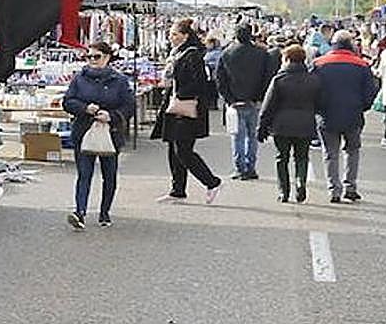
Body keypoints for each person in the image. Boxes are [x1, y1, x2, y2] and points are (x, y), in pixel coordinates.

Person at [62, 41, 136, 229]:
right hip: (84, 131)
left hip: (110, 134)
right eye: (89, 57)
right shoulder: (79, 78)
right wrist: (85, 108)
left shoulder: (119, 80)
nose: (92, 60)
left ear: (107, 57)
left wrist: (111, 116)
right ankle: (80, 212)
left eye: (97, 56)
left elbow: (129, 106)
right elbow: (68, 101)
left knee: (109, 175)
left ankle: (104, 212)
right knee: (84, 174)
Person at [152, 18, 223, 204]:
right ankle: (177, 190)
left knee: (183, 150)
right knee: (173, 149)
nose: (171, 37)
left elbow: (199, 84)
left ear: (185, 36)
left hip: (187, 108)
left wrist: (179, 91)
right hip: (175, 107)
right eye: (170, 34)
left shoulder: (192, 55)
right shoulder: (177, 53)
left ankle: (212, 182)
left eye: (175, 34)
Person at [313, 30, 379, 203]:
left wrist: (318, 109)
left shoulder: (319, 63)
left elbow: (312, 90)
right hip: (353, 115)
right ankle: (350, 187)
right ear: (351, 45)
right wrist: (362, 107)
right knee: (352, 151)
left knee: (330, 153)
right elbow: (370, 92)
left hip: (327, 116)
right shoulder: (362, 65)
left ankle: (334, 189)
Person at [258, 44, 321, 203]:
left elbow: (268, 105)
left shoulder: (279, 80)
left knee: (281, 158)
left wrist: (262, 127)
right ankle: (300, 183)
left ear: (286, 59)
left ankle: (283, 191)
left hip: (281, 125)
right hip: (305, 124)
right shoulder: (313, 79)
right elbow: (320, 103)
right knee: (301, 157)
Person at [216, 24, 273, 180]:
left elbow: (220, 80)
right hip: (254, 102)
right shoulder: (262, 54)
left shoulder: (226, 53)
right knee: (252, 136)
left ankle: (240, 168)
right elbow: (267, 78)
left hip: (235, 102)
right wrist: (260, 97)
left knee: (237, 136)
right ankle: (251, 167)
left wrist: (229, 99)